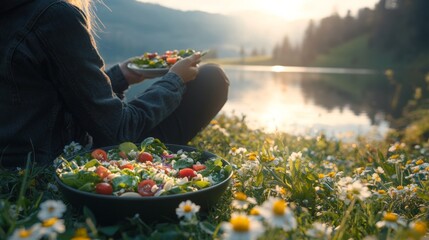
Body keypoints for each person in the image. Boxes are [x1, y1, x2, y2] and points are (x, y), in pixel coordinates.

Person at [0, 0, 229, 168]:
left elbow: (50, 93)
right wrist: (174, 80)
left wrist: (121, 75)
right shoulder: (53, 15)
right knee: (211, 80)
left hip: (15, 162)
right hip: (56, 167)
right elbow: (118, 131)